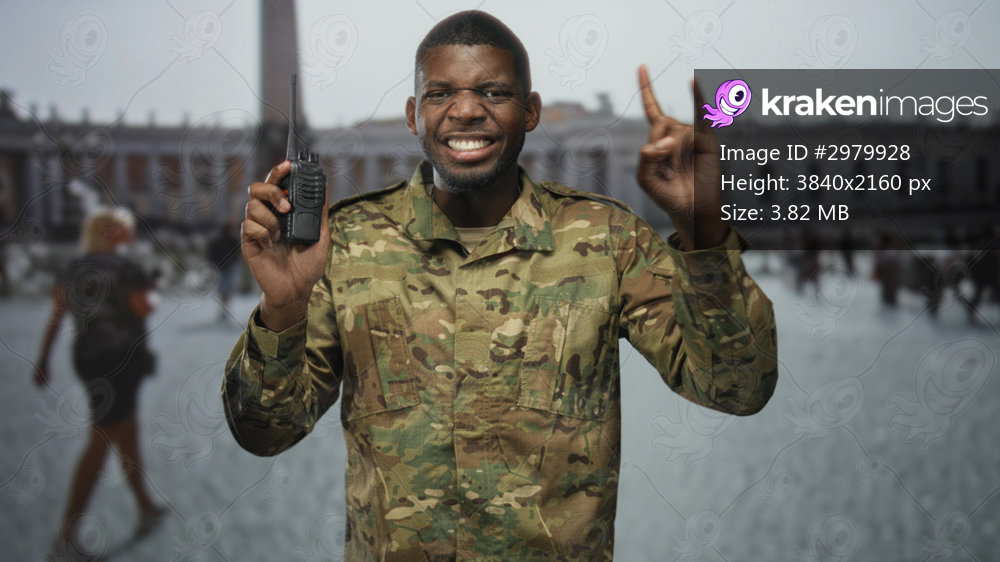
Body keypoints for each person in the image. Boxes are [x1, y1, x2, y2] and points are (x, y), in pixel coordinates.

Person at [222, 11, 777, 561]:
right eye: (441, 93)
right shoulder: (344, 243)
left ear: (530, 111)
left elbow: (737, 387)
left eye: (493, 92)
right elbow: (264, 432)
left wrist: (705, 230)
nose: (466, 110)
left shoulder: (606, 239)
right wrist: (283, 307)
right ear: (414, 115)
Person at [35, 207, 166, 548]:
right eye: (126, 227)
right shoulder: (127, 268)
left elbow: (57, 315)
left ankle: (145, 505)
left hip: (88, 357)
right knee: (103, 438)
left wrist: (43, 359)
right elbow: (142, 307)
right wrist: (154, 291)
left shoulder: (74, 267)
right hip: (122, 360)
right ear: (113, 233)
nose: (132, 231)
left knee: (127, 430)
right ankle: (67, 536)